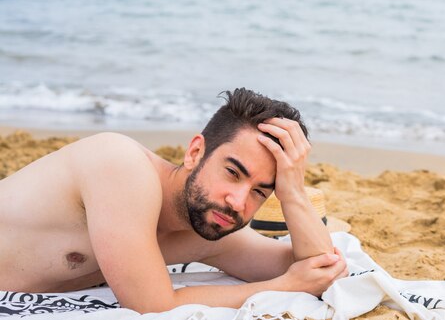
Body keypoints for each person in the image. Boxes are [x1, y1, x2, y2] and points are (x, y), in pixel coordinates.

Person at [0, 88, 348, 313]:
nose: (238, 201)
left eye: (260, 191)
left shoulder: (208, 229)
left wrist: (292, 191)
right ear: (196, 151)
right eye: (232, 172)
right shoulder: (120, 165)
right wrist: (284, 287)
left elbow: (320, 271)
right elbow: (153, 307)